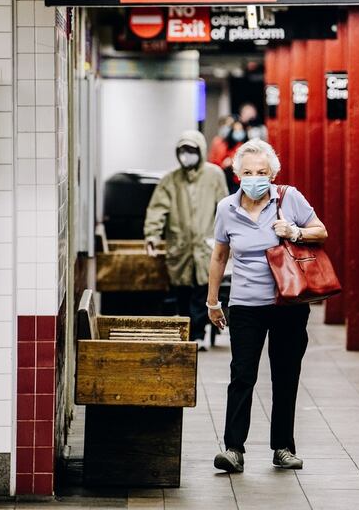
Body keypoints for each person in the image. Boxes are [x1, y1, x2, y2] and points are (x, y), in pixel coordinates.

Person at [206, 139, 328, 473]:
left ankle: (284, 448)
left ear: (272, 173)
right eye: (248, 172)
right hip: (245, 305)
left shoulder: (290, 199)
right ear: (237, 174)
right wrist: (213, 301)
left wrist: (295, 231)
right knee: (242, 375)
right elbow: (219, 256)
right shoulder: (226, 209)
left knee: (285, 375)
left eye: (261, 171)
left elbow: (322, 232)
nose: (255, 177)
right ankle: (233, 449)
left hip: (287, 304)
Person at [144, 130, 229, 350]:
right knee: (182, 291)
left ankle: (199, 334)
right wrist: (152, 235)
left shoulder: (214, 175)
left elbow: (224, 207)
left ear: (200, 151)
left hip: (205, 244)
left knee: (203, 289)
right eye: (183, 151)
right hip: (180, 246)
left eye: (191, 150)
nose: (186, 155)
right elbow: (156, 210)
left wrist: (228, 236)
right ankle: (187, 333)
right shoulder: (170, 180)